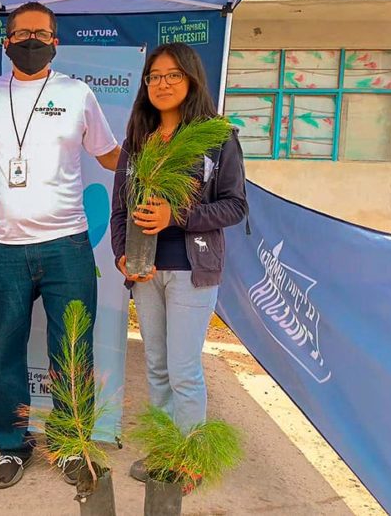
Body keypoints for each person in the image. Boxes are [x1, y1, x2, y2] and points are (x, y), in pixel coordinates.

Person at [0, 1, 121, 489]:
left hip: (67, 247)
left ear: (55, 41)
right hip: (3, 249)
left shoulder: (77, 93)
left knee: (72, 348)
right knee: (6, 349)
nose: (30, 41)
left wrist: (157, 159)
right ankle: (12, 444)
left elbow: (109, 155)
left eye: (40, 34)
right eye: (21, 33)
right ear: (5, 42)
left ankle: (69, 445)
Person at [109, 43, 247, 483]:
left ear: (191, 80)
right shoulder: (137, 142)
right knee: (157, 366)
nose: (163, 83)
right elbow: (119, 210)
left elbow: (235, 206)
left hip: (193, 270)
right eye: (154, 76)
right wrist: (121, 255)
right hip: (146, 272)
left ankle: (189, 460)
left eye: (173, 75)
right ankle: (164, 449)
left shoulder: (216, 137)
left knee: (184, 369)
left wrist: (177, 215)